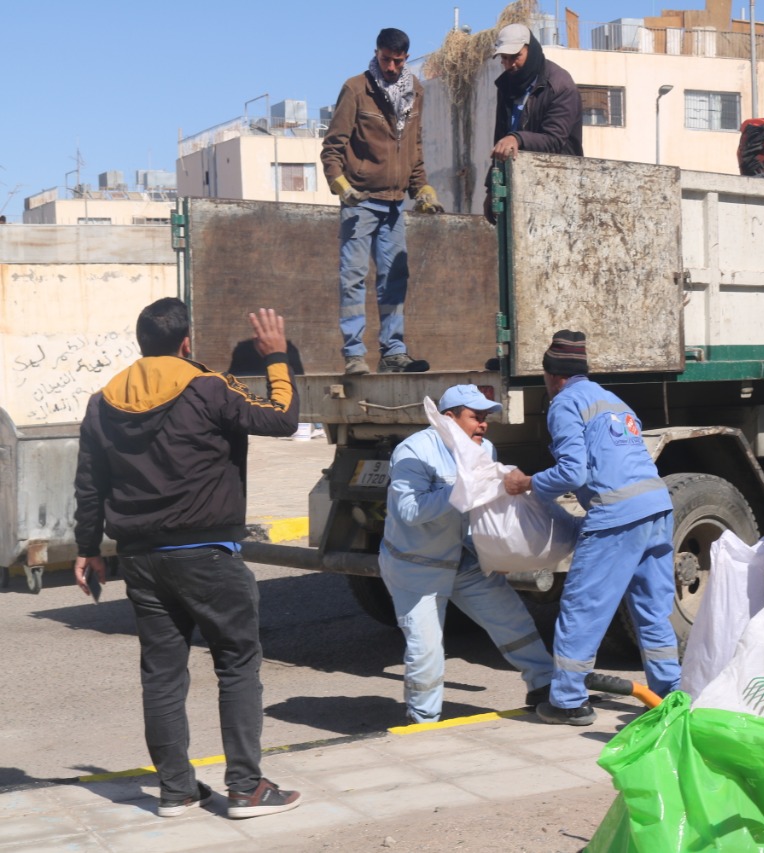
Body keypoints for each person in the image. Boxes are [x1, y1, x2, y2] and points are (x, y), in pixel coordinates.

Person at [73, 298, 302, 820]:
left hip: (141, 560)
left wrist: (88, 548)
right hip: (208, 554)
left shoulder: (102, 402)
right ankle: (245, 788)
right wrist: (276, 357)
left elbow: (89, 484)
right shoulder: (208, 387)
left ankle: (176, 790)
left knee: (161, 675)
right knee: (237, 665)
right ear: (185, 343)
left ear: (141, 345)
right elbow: (283, 418)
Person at [503, 331, 680, 725]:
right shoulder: (614, 401)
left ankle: (568, 701)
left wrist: (526, 483)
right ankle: (669, 696)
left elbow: (572, 472)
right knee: (652, 610)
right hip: (656, 507)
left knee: (583, 606)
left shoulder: (564, 403)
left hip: (617, 515)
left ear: (553, 375)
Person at [379, 384, 554, 723]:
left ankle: (546, 687)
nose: (484, 424)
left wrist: (494, 552)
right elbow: (410, 511)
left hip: (467, 560)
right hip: (418, 568)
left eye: (486, 417)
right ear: (449, 418)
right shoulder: (413, 451)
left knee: (515, 624)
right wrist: (462, 490)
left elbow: (483, 506)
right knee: (426, 652)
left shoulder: (483, 448)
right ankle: (424, 722)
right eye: (476, 417)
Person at [322, 27, 442, 377]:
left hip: (394, 204)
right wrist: (341, 186)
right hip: (360, 201)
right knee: (353, 278)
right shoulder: (356, 89)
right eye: (386, 59)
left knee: (394, 278)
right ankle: (354, 355)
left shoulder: (415, 91)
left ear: (406, 58)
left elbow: (413, 148)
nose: (391, 67)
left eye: (398, 61)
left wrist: (422, 189)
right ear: (376, 53)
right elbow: (332, 147)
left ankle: (393, 352)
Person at [484, 23, 584, 223]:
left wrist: (517, 139)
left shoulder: (559, 85)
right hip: (519, 186)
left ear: (531, 51)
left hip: (558, 186)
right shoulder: (506, 85)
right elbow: (501, 139)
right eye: (504, 58)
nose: (510, 64)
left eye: (516, 56)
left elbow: (555, 140)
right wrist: (491, 189)